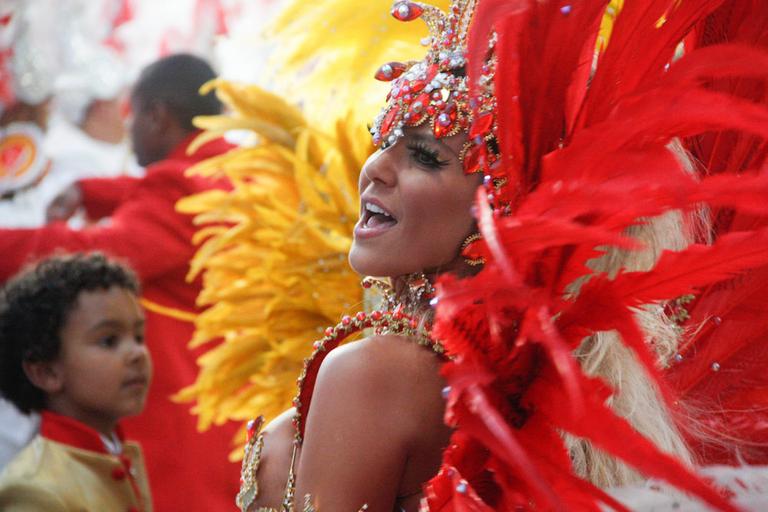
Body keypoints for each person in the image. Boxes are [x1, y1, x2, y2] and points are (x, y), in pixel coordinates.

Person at [232, 0, 768, 511]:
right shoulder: (519, 394)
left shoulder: (375, 373)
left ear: (500, 210)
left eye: (425, 156)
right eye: (383, 137)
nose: (376, 167)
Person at [0, 53, 240, 511]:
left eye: (134, 118)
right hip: (223, 404)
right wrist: (91, 190)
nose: (129, 133)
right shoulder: (235, 168)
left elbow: (96, 254)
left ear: (158, 116)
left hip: (180, 413)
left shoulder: (180, 189)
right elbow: (160, 192)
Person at [0, 252, 152, 511]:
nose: (138, 353)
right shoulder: (34, 489)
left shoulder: (119, 457)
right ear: (47, 372)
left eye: (138, 336)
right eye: (109, 340)